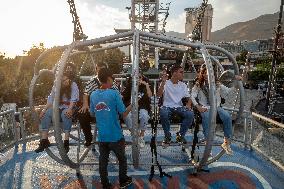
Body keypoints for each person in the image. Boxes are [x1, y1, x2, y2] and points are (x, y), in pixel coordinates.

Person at [90, 68, 132, 189]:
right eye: (112, 79)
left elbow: (92, 113)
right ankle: (123, 180)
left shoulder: (93, 94)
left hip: (102, 136)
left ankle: (105, 184)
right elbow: (123, 113)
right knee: (122, 160)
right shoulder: (114, 94)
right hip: (115, 135)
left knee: (103, 162)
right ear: (108, 79)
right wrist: (133, 104)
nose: (113, 81)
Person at [191, 64, 242, 155]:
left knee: (227, 117)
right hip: (205, 107)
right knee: (207, 118)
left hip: (216, 107)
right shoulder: (198, 84)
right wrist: (198, 107)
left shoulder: (217, 85)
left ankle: (226, 142)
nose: (207, 75)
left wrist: (235, 82)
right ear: (202, 75)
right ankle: (208, 142)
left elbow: (227, 92)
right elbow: (192, 96)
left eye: (209, 74)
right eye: (205, 74)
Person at [35, 65, 79, 153]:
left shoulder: (73, 85)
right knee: (46, 114)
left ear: (69, 78)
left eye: (66, 80)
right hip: (58, 107)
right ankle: (44, 140)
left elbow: (74, 99)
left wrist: (70, 109)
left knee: (66, 113)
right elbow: (51, 98)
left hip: (70, 107)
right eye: (62, 81)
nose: (64, 82)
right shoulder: (57, 85)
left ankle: (66, 142)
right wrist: (44, 110)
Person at [77, 62, 119, 147]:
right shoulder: (93, 81)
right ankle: (88, 137)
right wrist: (85, 105)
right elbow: (86, 93)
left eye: (102, 70)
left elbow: (117, 95)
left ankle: (115, 139)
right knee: (82, 114)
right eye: (98, 69)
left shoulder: (111, 81)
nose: (100, 72)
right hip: (95, 107)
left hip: (108, 108)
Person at [157, 64, 194, 147]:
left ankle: (180, 135)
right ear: (174, 73)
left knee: (190, 114)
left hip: (179, 107)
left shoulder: (183, 85)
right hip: (167, 106)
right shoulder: (166, 83)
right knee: (163, 113)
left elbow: (189, 97)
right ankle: (167, 135)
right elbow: (158, 95)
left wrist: (188, 104)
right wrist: (163, 82)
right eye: (181, 72)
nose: (183, 74)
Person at [122, 73, 152, 148]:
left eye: (139, 77)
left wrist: (146, 85)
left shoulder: (144, 87)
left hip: (142, 107)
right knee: (126, 116)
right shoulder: (129, 86)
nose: (137, 79)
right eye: (135, 77)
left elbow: (150, 96)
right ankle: (135, 135)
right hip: (130, 107)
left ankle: (141, 136)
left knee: (144, 115)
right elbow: (123, 97)